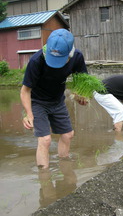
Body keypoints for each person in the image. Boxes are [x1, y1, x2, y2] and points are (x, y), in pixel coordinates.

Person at [20, 28, 88, 169]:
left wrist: (81, 96)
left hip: (57, 100)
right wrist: (29, 113)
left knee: (68, 134)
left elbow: (81, 82)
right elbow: (25, 91)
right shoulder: (36, 60)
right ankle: (44, 177)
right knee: (45, 140)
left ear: (70, 52)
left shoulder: (77, 57)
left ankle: (64, 165)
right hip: (37, 102)